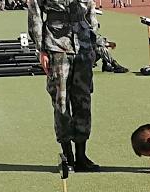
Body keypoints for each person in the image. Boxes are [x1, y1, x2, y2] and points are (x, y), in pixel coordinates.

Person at [27, 0, 100, 172]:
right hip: (57, 46)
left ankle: (82, 155)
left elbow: (91, 11)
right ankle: (67, 155)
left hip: (82, 46)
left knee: (83, 101)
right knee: (61, 101)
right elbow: (35, 14)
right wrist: (41, 49)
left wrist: (92, 43)